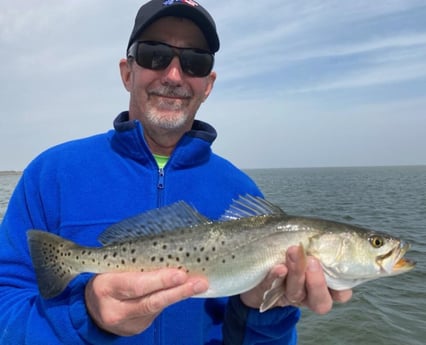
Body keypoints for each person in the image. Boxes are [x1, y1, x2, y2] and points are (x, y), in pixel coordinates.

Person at [0, 1, 352, 344]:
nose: (173, 75)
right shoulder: (51, 174)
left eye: (194, 62)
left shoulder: (241, 190)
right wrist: (84, 315)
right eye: (155, 54)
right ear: (127, 72)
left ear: (208, 84)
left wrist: (267, 309)